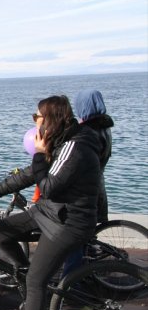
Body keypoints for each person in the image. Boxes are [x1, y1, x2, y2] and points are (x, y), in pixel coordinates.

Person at [0, 95, 101, 310]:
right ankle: (28, 277)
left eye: (38, 117)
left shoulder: (75, 147)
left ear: (52, 119)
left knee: (36, 280)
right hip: (50, 212)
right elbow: (31, 174)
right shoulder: (61, 142)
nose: (35, 122)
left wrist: (38, 155)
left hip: (69, 222)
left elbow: (48, 186)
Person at [60, 90, 115, 276]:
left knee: (75, 240)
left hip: (86, 192)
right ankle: (86, 271)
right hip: (99, 187)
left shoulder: (88, 132)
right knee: (86, 236)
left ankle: (73, 281)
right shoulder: (105, 128)